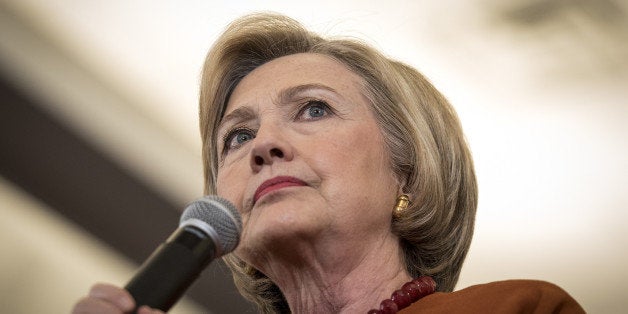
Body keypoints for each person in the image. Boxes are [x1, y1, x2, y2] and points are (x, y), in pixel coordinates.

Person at [73, 13, 584, 314]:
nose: (263, 146)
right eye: (238, 136)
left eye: (314, 109)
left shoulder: (517, 311)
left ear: (409, 174)